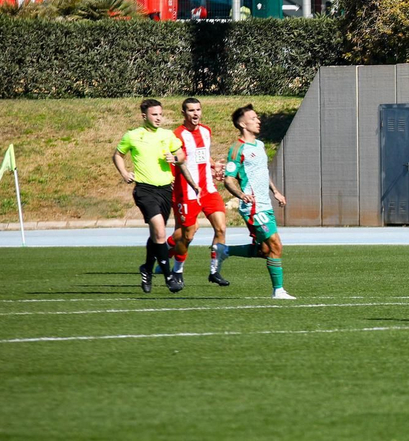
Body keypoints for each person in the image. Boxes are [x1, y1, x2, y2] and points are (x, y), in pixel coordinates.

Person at [219, 104, 294, 299]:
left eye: (257, 117)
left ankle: (224, 250)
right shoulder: (237, 149)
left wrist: (275, 191)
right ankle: (278, 290)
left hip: (265, 204)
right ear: (242, 123)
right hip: (253, 207)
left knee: (265, 250)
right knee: (276, 245)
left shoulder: (259, 146)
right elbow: (228, 179)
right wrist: (241, 195)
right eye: (253, 118)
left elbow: (262, 173)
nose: (258, 121)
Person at [113, 99, 186, 294]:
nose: (158, 118)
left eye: (160, 114)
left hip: (165, 190)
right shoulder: (133, 135)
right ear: (144, 116)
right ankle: (169, 276)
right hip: (145, 190)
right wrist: (124, 173)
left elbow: (181, 154)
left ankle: (146, 268)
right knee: (160, 232)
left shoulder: (167, 135)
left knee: (156, 235)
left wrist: (175, 158)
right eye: (154, 114)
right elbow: (118, 155)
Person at [171, 97, 231, 289]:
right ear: (183, 113)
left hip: (208, 190)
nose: (195, 113)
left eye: (198, 110)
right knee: (187, 235)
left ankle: (214, 271)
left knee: (221, 228)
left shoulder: (206, 131)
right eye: (190, 110)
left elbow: (202, 154)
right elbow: (176, 162)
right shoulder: (177, 135)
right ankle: (177, 270)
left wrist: (214, 165)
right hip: (187, 192)